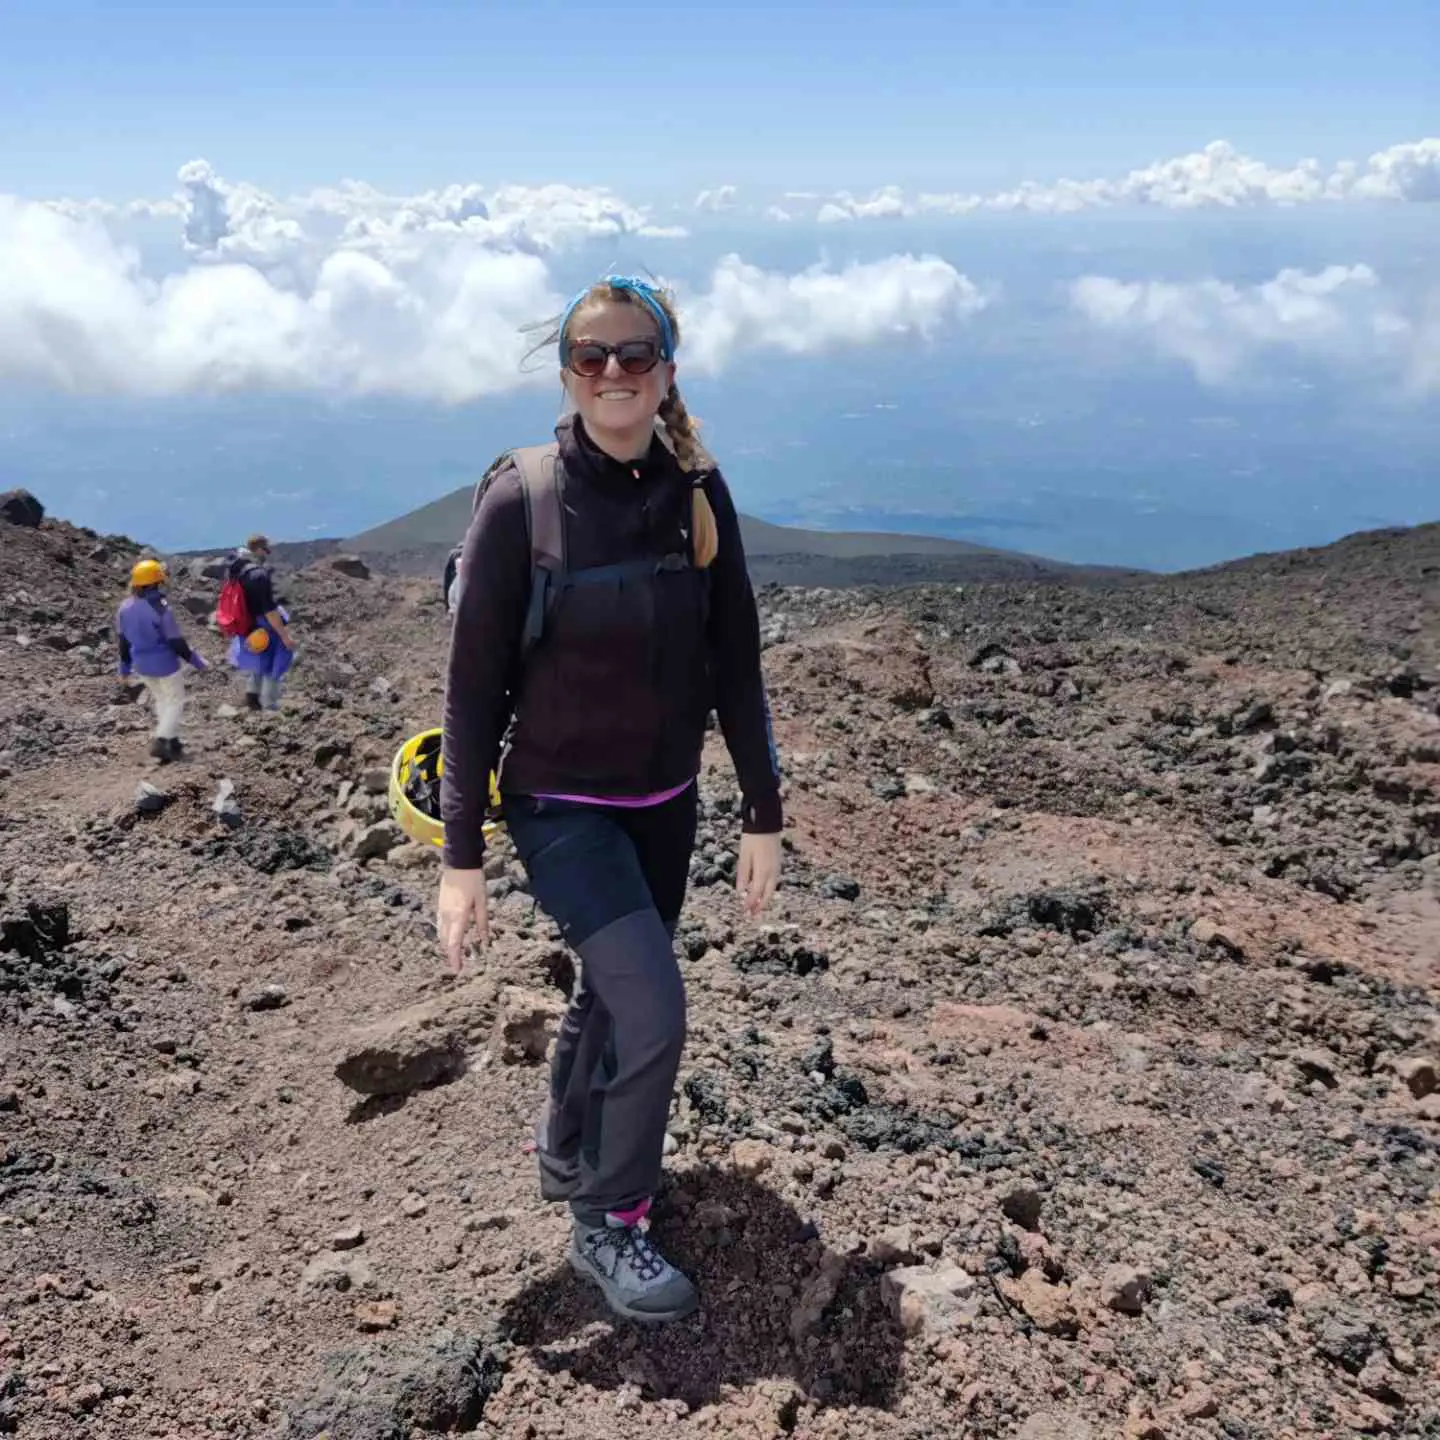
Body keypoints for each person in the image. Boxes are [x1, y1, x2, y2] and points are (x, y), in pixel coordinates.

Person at [438, 275, 783, 1324]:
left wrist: (762, 812)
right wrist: (461, 858)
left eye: (636, 354)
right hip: (558, 804)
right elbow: (471, 687)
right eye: (592, 356)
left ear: (667, 371)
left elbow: (735, 661)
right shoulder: (524, 499)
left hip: (665, 800)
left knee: (613, 987)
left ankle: (566, 1144)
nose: (615, 372)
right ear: (567, 372)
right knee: (655, 1008)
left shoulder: (697, 492)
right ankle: (610, 1217)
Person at [115, 557, 209, 761]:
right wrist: (198, 662)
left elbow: (123, 642)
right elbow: (176, 642)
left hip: (142, 666)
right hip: (165, 665)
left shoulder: (124, 607)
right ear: (156, 582)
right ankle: (161, 739)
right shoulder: (161, 608)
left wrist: (124, 669)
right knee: (175, 701)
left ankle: (172, 742)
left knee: (162, 699)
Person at [224, 534, 295, 711]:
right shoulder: (259, 575)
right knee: (275, 661)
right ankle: (270, 704)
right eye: (265, 550)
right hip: (264, 622)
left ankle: (252, 696)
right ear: (258, 550)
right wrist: (284, 636)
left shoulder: (237, 569)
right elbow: (269, 610)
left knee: (258, 656)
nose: (267, 554)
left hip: (247, 621)